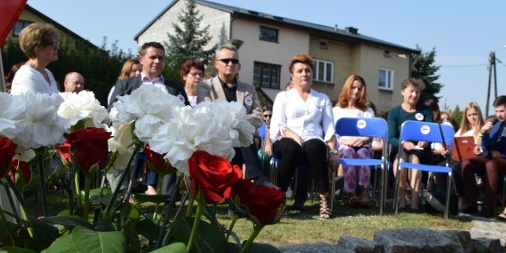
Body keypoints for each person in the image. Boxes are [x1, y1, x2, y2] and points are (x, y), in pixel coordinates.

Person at [110, 42, 185, 196]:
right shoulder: (125, 84)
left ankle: (167, 204)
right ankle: (124, 202)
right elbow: (113, 109)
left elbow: (185, 113)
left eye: (161, 58)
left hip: (166, 142)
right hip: (133, 140)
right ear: (142, 59)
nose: (157, 61)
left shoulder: (175, 87)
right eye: (153, 57)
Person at [270, 54, 337, 219]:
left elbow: (329, 128)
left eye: (307, 70)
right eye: (299, 71)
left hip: (312, 140)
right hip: (285, 140)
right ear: (292, 76)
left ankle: (324, 199)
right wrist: (293, 135)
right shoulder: (283, 97)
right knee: (292, 147)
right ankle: (280, 198)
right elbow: (277, 124)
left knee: (315, 146)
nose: (304, 74)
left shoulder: (322, 98)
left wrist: (334, 151)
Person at [197, 44, 269, 184]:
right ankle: (257, 177)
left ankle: (254, 178)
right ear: (216, 64)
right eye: (226, 60)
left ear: (239, 66)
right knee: (243, 134)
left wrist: (238, 124)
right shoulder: (205, 86)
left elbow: (259, 117)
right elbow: (206, 113)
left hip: (242, 142)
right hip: (218, 139)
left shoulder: (248, 89)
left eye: (234, 61)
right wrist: (239, 124)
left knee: (243, 135)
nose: (230, 64)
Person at [460, 96, 506, 216]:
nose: (499, 114)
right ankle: (471, 203)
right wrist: (484, 134)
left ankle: (488, 206)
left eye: (502, 111)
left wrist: (501, 154)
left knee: (491, 165)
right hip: (490, 157)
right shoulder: (496, 125)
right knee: (467, 163)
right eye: (496, 111)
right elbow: (487, 145)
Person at [387, 78, 435, 212]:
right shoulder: (394, 112)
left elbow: (431, 133)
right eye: (411, 91)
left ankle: (414, 203)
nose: (414, 95)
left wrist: (425, 141)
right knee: (401, 160)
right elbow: (391, 138)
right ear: (402, 92)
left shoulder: (426, 111)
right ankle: (402, 201)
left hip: (421, 150)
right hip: (401, 148)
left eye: (417, 92)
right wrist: (403, 143)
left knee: (414, 160)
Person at [332, 75, 376, 207]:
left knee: (364, 154)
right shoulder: (337, 111)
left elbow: (371, 132)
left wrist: (362, 140)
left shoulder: (367, 111)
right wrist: (346, 141)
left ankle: (364, 194)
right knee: (349, 152)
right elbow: (333, 133)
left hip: (363, 145)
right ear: (347, 87)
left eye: (359, 88)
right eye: (353, 87)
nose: (356, 91)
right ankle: (351, 194)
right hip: (344, 145)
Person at [11, 23, 60, 95]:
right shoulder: (27, 76)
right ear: (37, 48)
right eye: (54, 44)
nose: (57, 48)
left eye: (57, 44)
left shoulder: (48, 73)